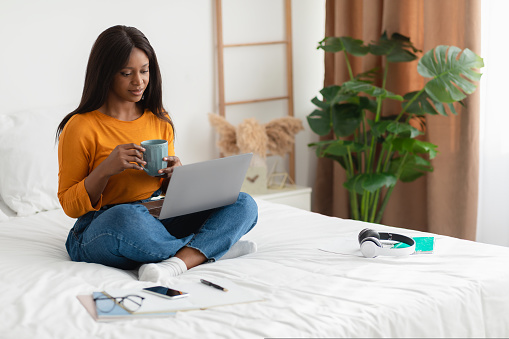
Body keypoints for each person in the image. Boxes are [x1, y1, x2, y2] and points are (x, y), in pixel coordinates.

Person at [56, 25, 258, 282]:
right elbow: (69, 205)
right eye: (126, 73)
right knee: (125, 217)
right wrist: (106, 169)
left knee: (242, 203)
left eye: (144, 70)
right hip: (103, 224)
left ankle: (181, 259)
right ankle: (209, 248)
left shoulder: (159, 119)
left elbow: (165, 192)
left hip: (156, 215)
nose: (138, 81)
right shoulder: (80, 126)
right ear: (105, 74)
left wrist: (177, 176)